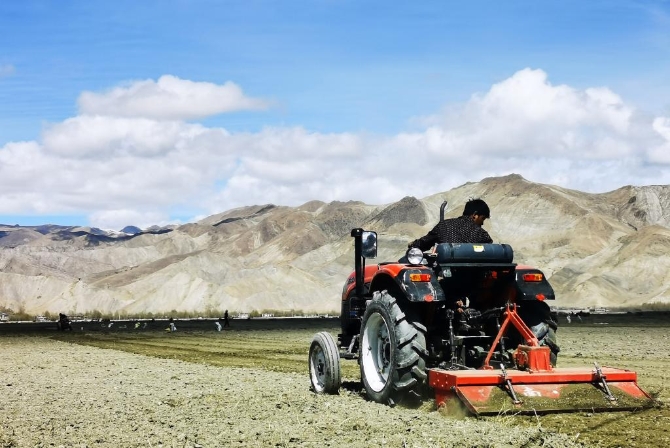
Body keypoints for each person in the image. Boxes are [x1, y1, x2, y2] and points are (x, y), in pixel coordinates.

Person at [408, 198, 492, 251]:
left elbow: (423, 242)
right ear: (475, 215)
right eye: (483, 218)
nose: (482, 223)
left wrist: (412, 244)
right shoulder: (482, 234)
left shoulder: (444, 225)